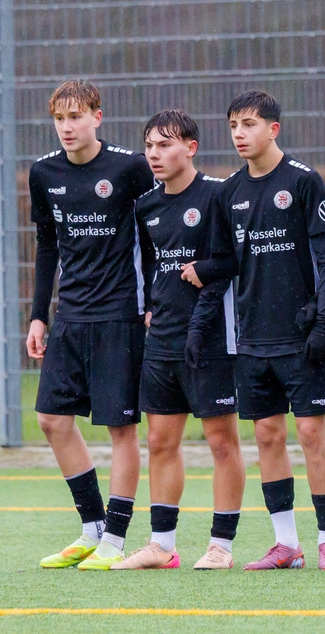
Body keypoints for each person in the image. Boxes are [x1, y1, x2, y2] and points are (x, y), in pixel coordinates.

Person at [182, 90, 325, 570]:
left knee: (311, 434)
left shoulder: (303, 182)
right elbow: (225, 263)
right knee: (269, 436)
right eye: (234, 124)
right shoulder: (228, 193)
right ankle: (286, 544)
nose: (239, 133)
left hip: (300, 337)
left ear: (273, 129)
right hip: (251, 339)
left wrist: (323, 322)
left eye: (249, 124)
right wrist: (198, 324)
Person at [26, 80, 155, 569]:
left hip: (120, 314)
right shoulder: (44, 172)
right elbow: (48, 246)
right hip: (70, 316)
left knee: (121, 429)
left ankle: (115, 540)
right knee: (52, 420)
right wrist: (39, 315)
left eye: (76, 116)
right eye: (59, 118)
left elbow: (154, 238)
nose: (67, 127)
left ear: (97, 117)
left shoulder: (129, 168)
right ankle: (92, 528)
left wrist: (153, 302)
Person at [110, 110, 246, 570]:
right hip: (163, 338)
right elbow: (151, 262)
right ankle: (162, 545)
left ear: (191, 148)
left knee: (221, 442)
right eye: (149, 145)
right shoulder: (146, 206)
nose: (154, 154)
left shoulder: (218, 195)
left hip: (211, 338)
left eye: (165, 144)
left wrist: (205, 276)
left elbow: (237, 259)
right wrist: (152, 305)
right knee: (160, 441)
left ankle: (221, 546)